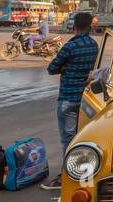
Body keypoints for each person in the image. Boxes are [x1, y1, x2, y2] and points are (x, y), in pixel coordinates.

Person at [42, 12, 98, 190]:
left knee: (68, 139)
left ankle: (67, 175)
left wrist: (65, 67)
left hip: (67, 98)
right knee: (83, 138)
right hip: (85, 99)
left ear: (74, 26)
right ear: (90, 26)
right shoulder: (93, 45)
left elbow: (51, 68)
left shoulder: (70, 46)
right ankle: (83, 171)